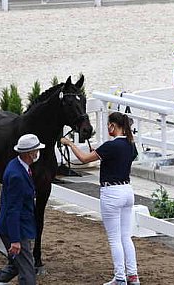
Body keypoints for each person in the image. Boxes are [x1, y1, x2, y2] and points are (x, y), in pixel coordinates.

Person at [60, 112, 140, 285]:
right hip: (127, 190)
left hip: (112, 193)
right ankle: (133, 275)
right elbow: (117, 159)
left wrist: (69, 143)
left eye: (109, 125)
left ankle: (120, 277)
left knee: (114, 238)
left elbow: (83, 159)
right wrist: (100, 155)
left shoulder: (110, 146)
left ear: (113, 125)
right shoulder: (130, 144)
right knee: (126, 237)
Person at [0, 134, 45, 285]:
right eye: (36, 150)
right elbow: (13, 210)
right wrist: (15, 240)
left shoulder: (16, 165)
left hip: (15, 227)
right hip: (17, 230)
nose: (37, 153)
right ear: (30, 153)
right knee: (27, 272)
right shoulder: (17, 175)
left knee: (15, 266)